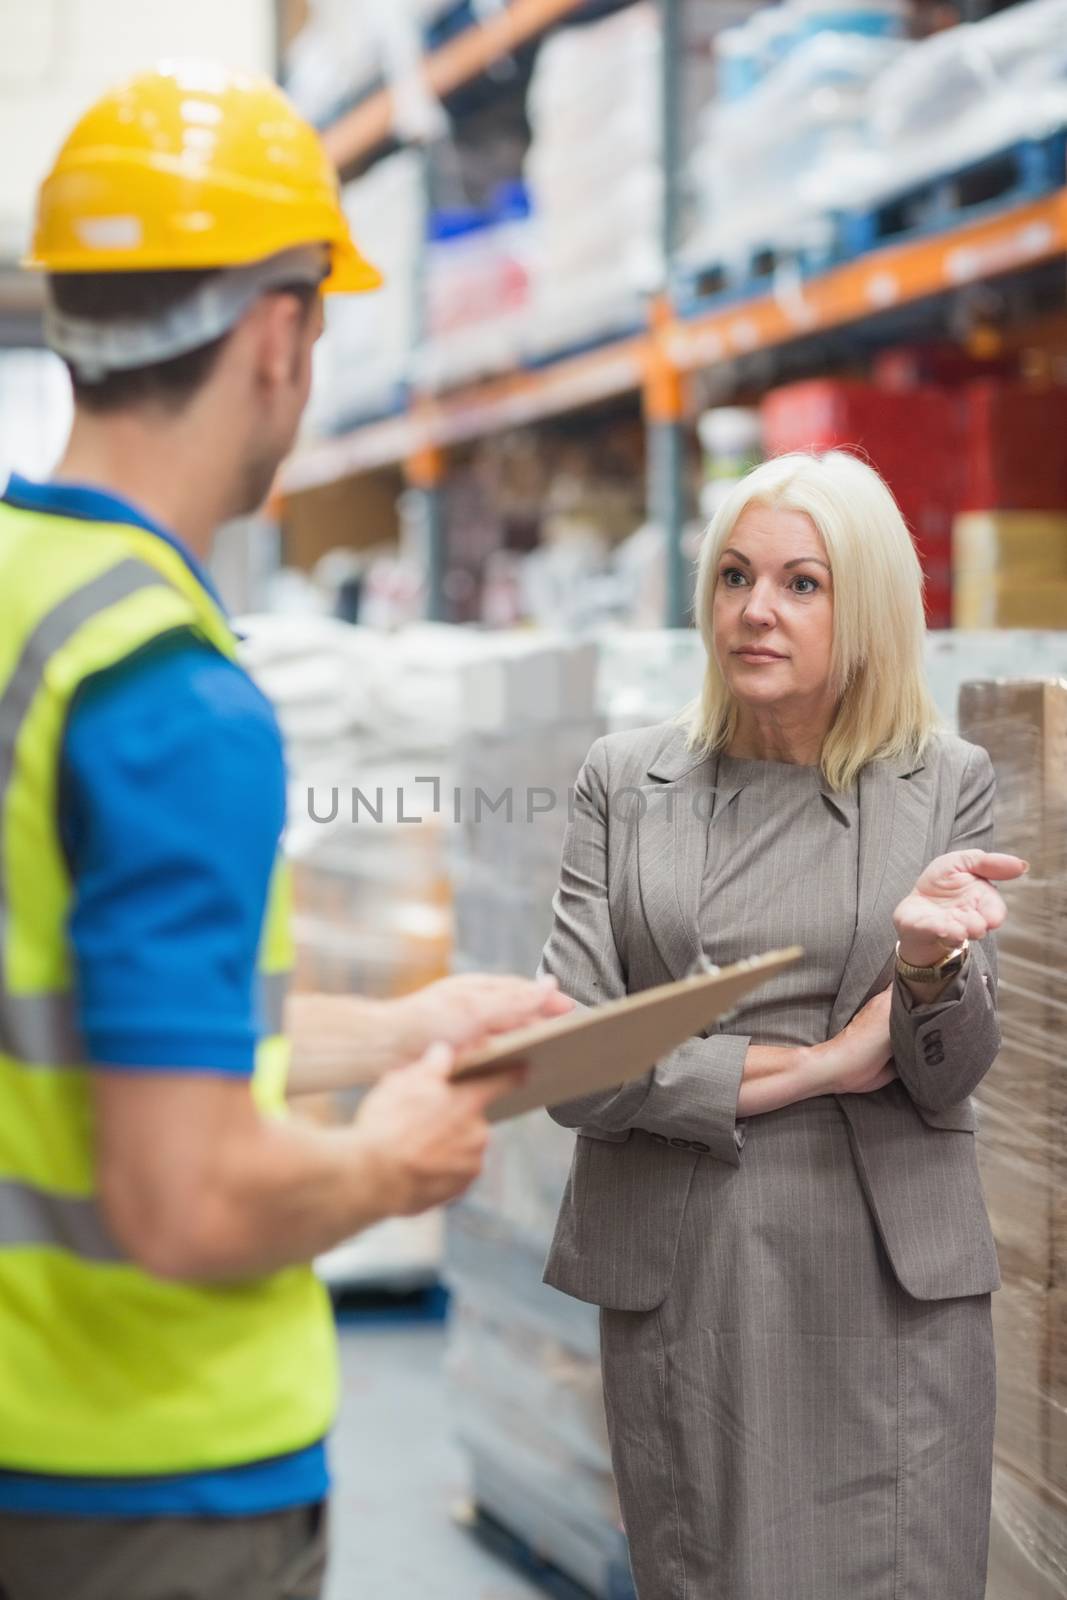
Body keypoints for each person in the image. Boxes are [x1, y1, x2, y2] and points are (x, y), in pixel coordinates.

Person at [0, 63, 572, 1600]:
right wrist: (387, 1165)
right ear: (278, 332)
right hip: (142, 1479)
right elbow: (180, 1198)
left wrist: (388, 1030)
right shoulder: (169, 692)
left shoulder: (22, 602)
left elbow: (77, 1019)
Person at [540, 450, 1026, 1600]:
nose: (755, 610)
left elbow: (950, 1070)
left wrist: (920, 973)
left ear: (865, 608)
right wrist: (819, 1063)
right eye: (733, 576)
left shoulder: (941, 781)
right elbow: (567, 1060)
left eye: (801, 584)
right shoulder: (623, 780)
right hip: (689, 1267)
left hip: (883, 1280)